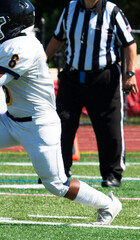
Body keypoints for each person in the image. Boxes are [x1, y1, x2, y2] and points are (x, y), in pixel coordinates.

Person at [0, 0, 122, 225]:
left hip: (38, 125)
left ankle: (108, 204)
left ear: (13, 24)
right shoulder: (12, 41)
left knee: (57, 184)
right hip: (12, 120)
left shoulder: (24, 46)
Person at [45, 0, 137, 188]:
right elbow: (57, 38)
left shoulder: (112, 11)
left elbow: (129, 43)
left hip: (103, 78)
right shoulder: (69, 8)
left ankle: (112, 174)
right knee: (60, 123)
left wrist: (130, 73)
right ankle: (59, 170)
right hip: (72, 77)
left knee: (109, 129)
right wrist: (42, 60)